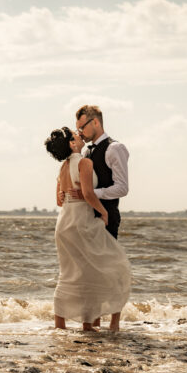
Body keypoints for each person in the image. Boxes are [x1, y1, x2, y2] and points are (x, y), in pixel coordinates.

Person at [45, 126, 131, 331]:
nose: (80, 135)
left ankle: (61, 325)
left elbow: (59, 200)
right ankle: (88, 324)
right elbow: (88, 194)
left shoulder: (63, 167)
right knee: (111, 267)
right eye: (76, 135)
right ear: (72, 144)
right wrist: (103, 213)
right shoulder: (84, 162)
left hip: (63, 222)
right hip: (80, 222)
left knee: (68, 273)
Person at [63, 105, 129, 240]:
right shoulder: (86, 152)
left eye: (82, 128)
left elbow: (122, 188)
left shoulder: (115, 148)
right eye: (78, 129)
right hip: (85, 220)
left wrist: (90, 194)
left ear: (95, 122)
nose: (80, 133)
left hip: (106, 221)